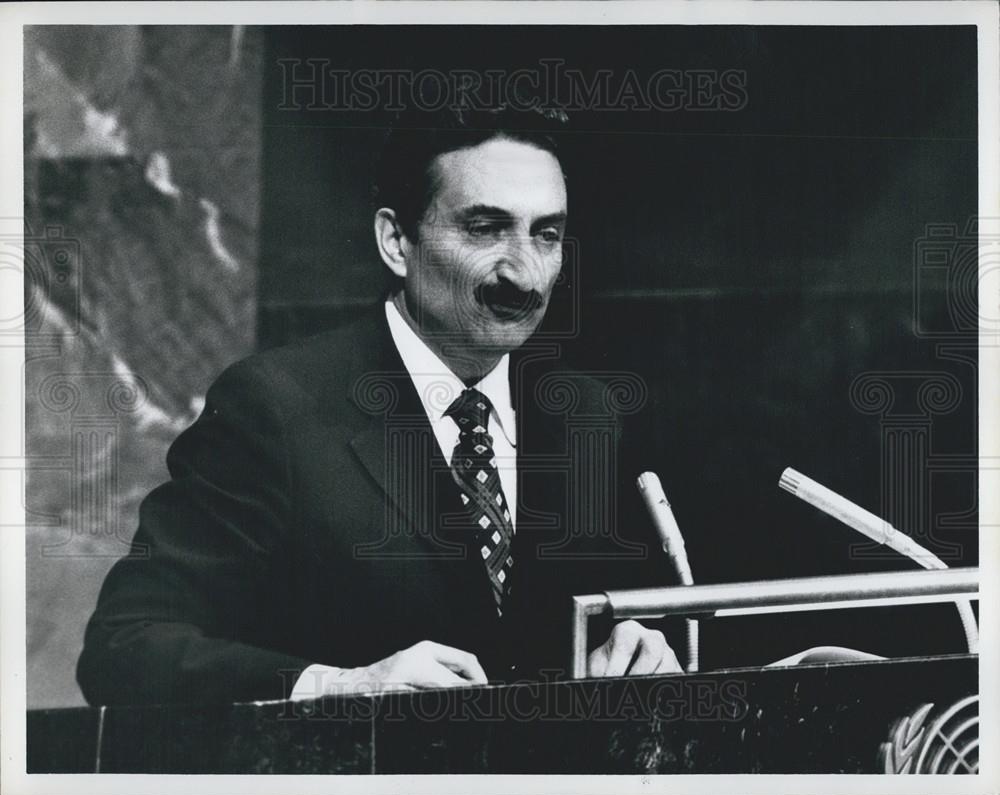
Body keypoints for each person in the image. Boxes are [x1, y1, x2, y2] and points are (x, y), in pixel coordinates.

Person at [77, 103, 682, 707]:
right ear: (396, 242)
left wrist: (644, 648)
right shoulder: (273, 409)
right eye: (484, 229)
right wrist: (338, 687)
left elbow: (623, 623)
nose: (523, 274)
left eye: (545, 235)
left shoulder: (587, 415)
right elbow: (124, 648)